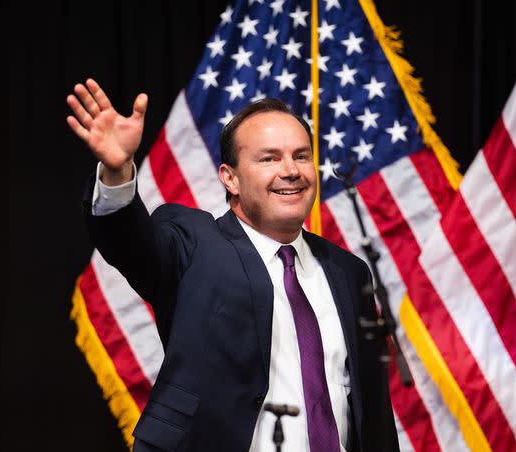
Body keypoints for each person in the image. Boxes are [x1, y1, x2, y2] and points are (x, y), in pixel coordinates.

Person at [66, 79, 399, 452]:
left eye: (302, 156)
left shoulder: (348, 272)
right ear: (230, 178)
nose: (291, 170)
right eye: (269, 158)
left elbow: (370, 408)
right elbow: (130, 243)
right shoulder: (192, 243)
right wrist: (117, 172)